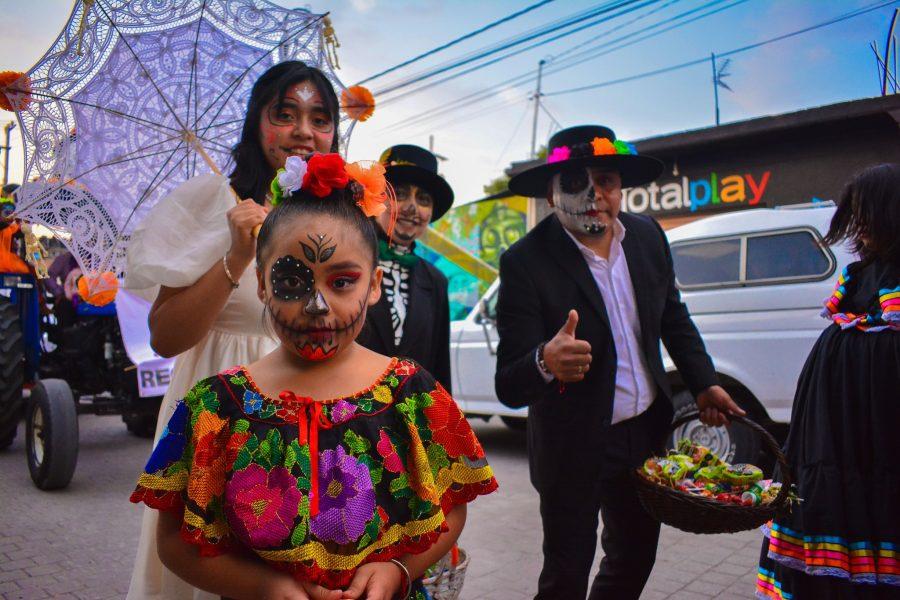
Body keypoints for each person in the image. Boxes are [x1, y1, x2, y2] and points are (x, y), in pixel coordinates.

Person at [130, 153, 497, 600]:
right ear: (262, 283)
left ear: (374, 284)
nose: (318, 306)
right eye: (291, 282)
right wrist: (266, 587)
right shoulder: (214, 408)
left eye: (342, 282)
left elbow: (452, 509)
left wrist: (399, 569)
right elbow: (172, 542)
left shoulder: (411, 393)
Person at [494, 125, 744, 600]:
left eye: (605, 180)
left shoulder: (647, 237)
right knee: (566, 575)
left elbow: (673, 315)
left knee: (633, 558)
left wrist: (705, 382)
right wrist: (545, 361)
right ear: (551, 192)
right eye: (575, 182)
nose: (594, 196)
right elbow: (510, 382)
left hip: (644, 432)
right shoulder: (524, 262)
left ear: (620, 186)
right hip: (572, 444)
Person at [125, 60, 342, 600]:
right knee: (222, 570)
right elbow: (165, 337)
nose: (302, 132)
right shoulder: (209, 201)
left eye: (319, 117)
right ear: (256, 122)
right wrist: (235, 257)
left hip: (312, 415)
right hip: (217, 417)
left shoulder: (337, 212)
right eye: (284, 114)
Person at [756, 164, 900, 600]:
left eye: (866, 214)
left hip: (878, 437)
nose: (860, 227)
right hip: (830, 437)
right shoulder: (860, 273)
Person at [358, 144, 454, 392]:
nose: (412, 207)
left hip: (411, 421)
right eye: (399, 194)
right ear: (376, 199)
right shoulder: (347, 265)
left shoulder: (436, 281)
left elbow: (439, 368)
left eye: (423, 199)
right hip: (350, 414)